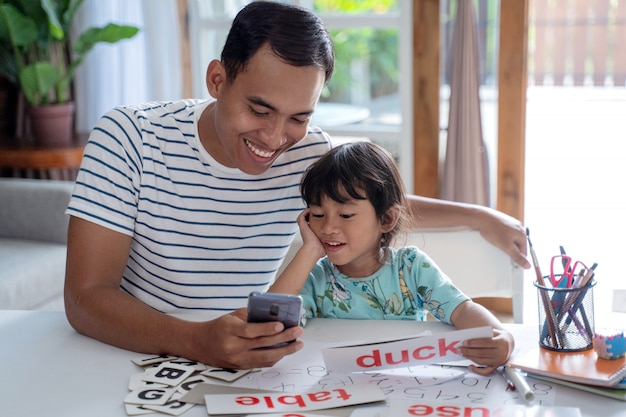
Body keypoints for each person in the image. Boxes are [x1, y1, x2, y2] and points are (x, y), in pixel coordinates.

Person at [64, 1, 527, 371]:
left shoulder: (307, 154)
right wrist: (195, 341)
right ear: (217, 79)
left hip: (252, 361)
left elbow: (373, 202)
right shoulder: (129, 136)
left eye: (299, 117)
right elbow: (85, 299)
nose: (274, 139)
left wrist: (480, 216)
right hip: (130, 355)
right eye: (260, 110)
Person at [269, 142, 514, 375]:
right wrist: (309, 251)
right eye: (318, 214)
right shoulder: (316, 277)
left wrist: (501, 336)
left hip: (405, 384)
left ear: (386, 219)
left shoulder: (411, 268)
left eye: (345, 215)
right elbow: (270, 323)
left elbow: (462, 310)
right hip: (336, 388)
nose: (328, 227)